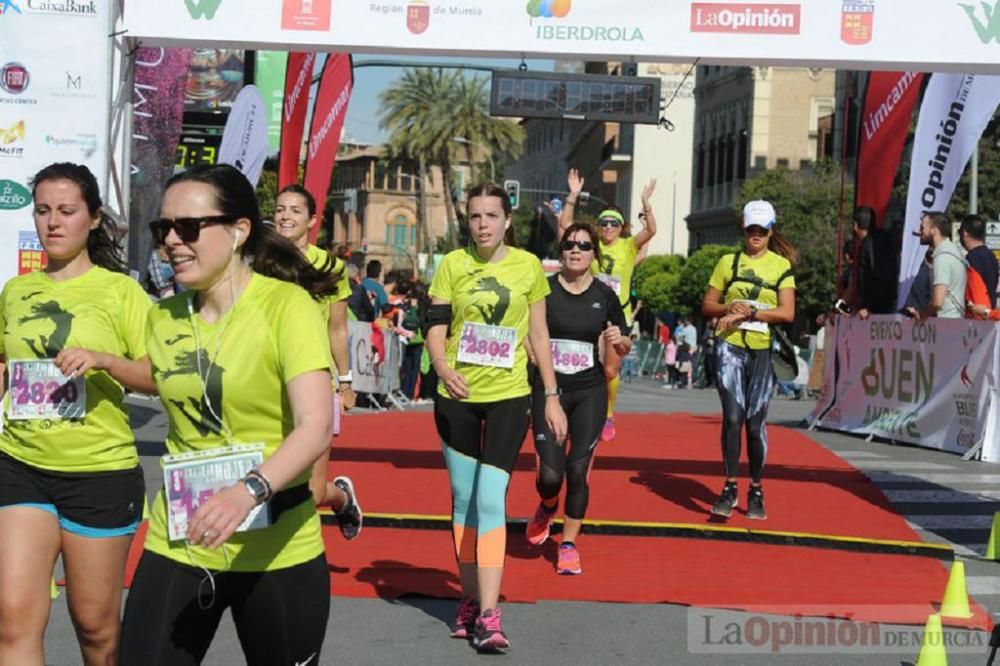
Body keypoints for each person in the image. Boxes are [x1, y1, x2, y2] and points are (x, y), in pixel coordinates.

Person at [119, 164, 337, 665]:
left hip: (277, 546)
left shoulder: (288, 306)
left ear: (239, 231)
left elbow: (315, 425)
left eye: (188, 227)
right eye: (163, 229)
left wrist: (249, 490)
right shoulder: (163, 316)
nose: (172, 240)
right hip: (182, 539)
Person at [0, 163, 153, 665]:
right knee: (12, 618)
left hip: (98, 474)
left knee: (96, 629)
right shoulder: (16, 292)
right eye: (43, 210)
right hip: (20, 466)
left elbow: (160, 374)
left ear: (92, 218)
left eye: (67, 211)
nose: (53, 222)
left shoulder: (121, 292)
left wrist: (105, 360)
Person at [425, 182, 566, 653]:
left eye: (491, 215)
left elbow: (541, 334)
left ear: (508, 221)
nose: (482, 224)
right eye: (475, 216)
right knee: (463, 498)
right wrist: (443, 367)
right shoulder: (452, 265)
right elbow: (436, 326)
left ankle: (489, 614)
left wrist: (550, 395)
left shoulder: (527, 267)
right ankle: (468, 600)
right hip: (457, 395)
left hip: (509, 395)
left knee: (490, 497)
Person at [524, 223, 629, 576]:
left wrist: (619, 340)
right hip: (549, 390)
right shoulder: (544, 290)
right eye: (569, 244)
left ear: (593, 254)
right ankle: (547, 503)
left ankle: (568, 544)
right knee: (551, 475)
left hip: (589, 391)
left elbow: (625, 343)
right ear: (561, 250)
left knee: (578, 471)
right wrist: (535, 357)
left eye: (584, 245)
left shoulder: (605, 294)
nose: (576, 249)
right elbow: (525, 331)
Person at [273, 184, 362, 540]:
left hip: (316, 384)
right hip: (267, 382)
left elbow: (337, 328)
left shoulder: (329, 266)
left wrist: (346, 381)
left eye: (295, 210)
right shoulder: (258, 262)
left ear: (312, 220)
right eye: (280, 209)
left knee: (312, 490)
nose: (286, 216)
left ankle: (342, 498)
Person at [701, 200, 796, 521]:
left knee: (755, 426)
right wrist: (730, 307)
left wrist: (754, 312)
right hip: (729, 348)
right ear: (744, 229)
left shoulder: (781, 266)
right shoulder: (728, 262)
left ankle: (756, 488)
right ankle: (729, 486)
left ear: (770, 231)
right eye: (752, 229)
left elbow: (788, 312)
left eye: (762, 230)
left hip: (762, 350)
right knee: (731, 419)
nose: (756, 234)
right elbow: (708, 304)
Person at [559, 168, 657, 441]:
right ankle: (577, 408)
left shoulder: (628, 247)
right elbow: (566, 228)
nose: (608, 228)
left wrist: (646, 204)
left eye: (614, 224)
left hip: (619, 315)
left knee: (610, 369)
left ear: (621, 226)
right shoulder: (591, 246)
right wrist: (573, 195)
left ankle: (609, 414)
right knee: (582, 366)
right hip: (589, 313)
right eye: (604, 223)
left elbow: (651, 230)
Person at [906, 211, 966, 320]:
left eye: (922, 227)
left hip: (946, 324)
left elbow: (937, 302)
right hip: (955, 321)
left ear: (934, 230)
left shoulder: (942, 257)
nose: (919, 231)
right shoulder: (954, 252)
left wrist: (921, 314)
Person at [852, 206, 897, 319]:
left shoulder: (868, 245)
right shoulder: (885, 239)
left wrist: (870, 307)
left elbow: (879, 275)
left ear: (856, 226)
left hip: (875, 312)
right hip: (890, 306)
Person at [959, 214, 999, 309]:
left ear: (964, 234)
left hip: (976, 313)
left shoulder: (972, 258)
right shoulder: (991, 256)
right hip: (989, 311)